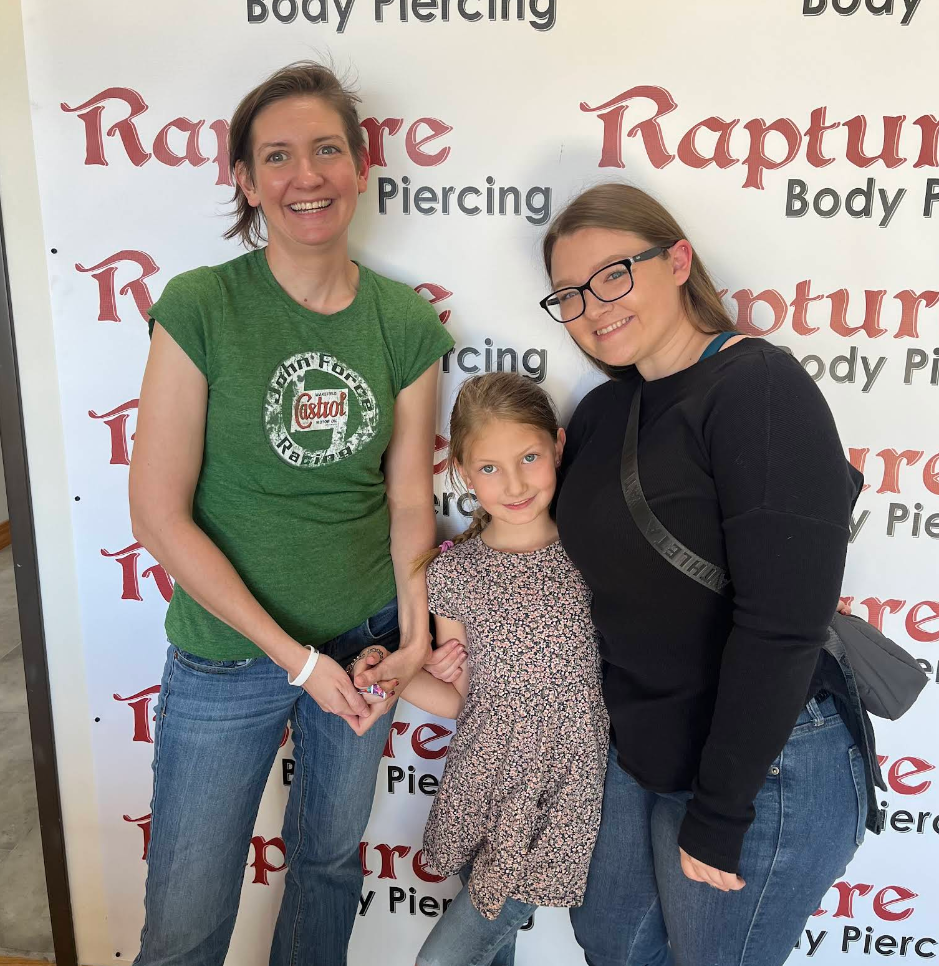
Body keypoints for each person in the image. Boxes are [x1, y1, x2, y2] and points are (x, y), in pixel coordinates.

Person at [127, 61, 455, 966]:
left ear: (360, 166)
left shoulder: (402, 322)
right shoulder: (201, 305)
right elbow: (157, 514)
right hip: (227, 655)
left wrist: (413, 639)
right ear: (244, 179)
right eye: (276, 156)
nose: (305, 176)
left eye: (325, 150)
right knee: (186, 919)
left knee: (327, 868)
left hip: (365, 644)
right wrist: (297, 660)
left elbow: (407, 500)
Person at [534, 182, 867, 966]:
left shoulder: (757, 387)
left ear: (678, 260)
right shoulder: (603, 412)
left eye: (613, 274)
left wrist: (720, 811)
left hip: (763, 759)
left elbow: (782, 622)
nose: (591, 308)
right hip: (637, 741)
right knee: (609, 942)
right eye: (569, 294)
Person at [351, 372, 609, 966]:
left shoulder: (591, 553)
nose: (514, 484)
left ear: (558, 447)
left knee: (440, 960)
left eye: (528, 458)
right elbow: (463, 699)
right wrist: (389, 675)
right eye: (490, 468)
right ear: (463, 472)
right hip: (480, 783)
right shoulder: (453, 573)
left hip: (558, 793)